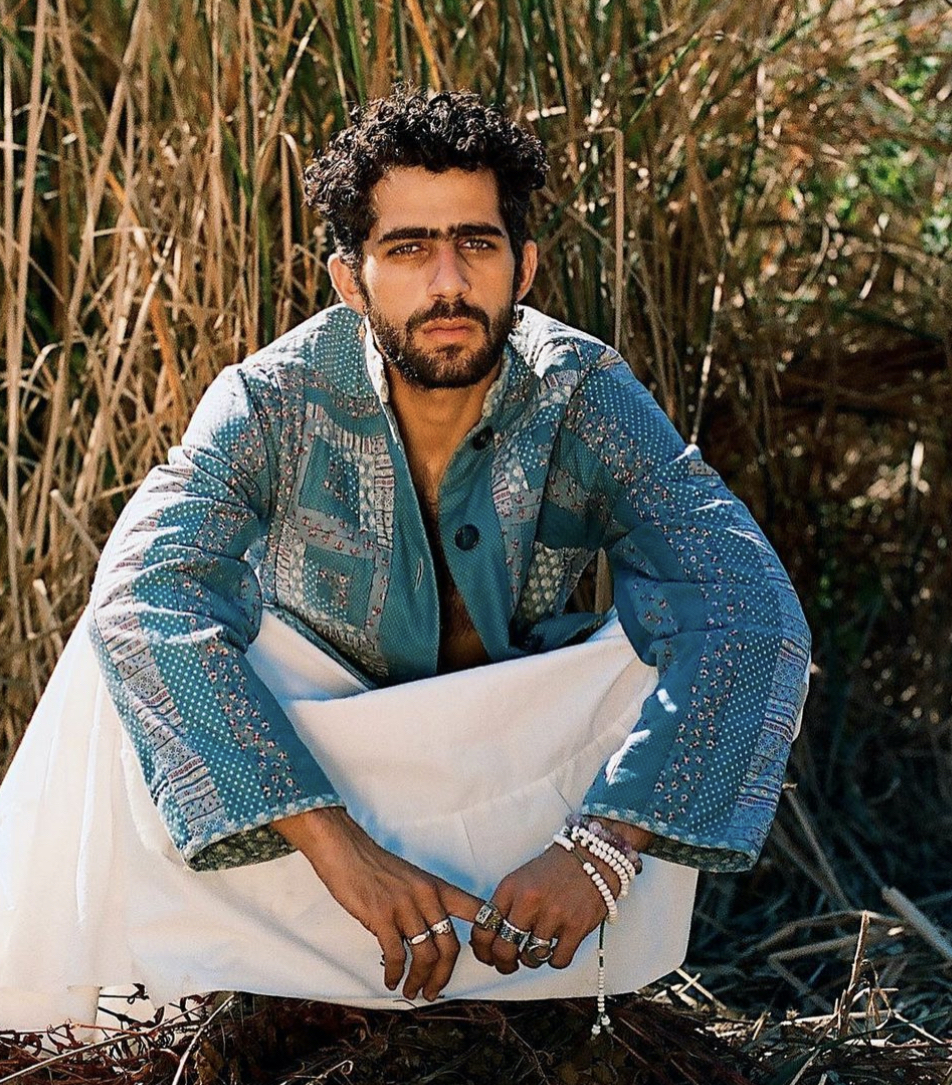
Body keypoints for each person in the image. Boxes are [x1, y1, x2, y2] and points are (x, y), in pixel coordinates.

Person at [87, 86, 810, 1009]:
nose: (448, 283)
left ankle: (552, 962)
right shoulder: (270, 400)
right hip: (325, 781)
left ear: (524, 266)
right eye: (407, 249)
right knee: (124, 640)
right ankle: (208, 972)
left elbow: (750, 605)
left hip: (514, 788)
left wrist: (607, 844)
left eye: (476, 244)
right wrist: (343, 852)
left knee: (668, 634)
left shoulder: (583, 391)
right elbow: (143, 596)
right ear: (350, 280)